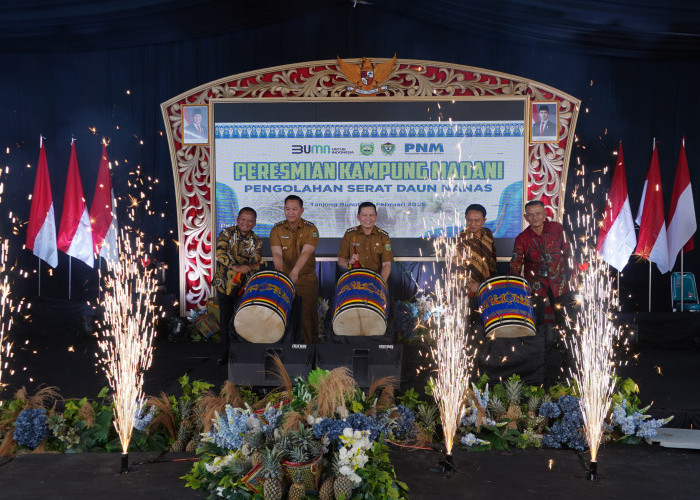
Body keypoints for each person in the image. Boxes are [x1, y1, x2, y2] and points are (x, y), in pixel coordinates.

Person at [509, 199, 573, 327]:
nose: (535, 217)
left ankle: (563, 345)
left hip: (559, 283)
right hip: (535, 285)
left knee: (565, 320)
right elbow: (516, 263)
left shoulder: (557, 229)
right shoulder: (522, 238)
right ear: (525, 217)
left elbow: (568, 253)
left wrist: (574, 275)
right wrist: (514, 286)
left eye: (538, 213)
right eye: (531, 214)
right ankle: (536, 345)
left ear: (544, 214)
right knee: (535, 322)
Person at [213, 207, 263, 363]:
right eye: (243, 219)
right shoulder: (227, 233)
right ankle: (225, 355)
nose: (245, 223)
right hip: (224, 284)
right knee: (226, 320)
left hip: (243, 287)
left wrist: (250, 267)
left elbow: (256, 261)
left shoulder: (257, 241)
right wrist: (235, 267)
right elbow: (220, 253)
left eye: (250, 221)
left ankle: (240, 355)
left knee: (242, 320)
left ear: (254, 223)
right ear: (237, 219)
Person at [269, 195, 320, 344]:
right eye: (288, 209)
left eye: (295, 209)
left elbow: (306, 253)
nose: (291, 212)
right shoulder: (276, 229)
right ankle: (286, 351)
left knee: (308, 317)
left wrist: (295, 272)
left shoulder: (311, 229)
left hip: (306, 279)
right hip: (285, 280)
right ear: (284, 210)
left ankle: (311, 351)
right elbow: (277, 254)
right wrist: (282, 275)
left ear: (301, 211)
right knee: (284, 315)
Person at [337, 202, 393, 283]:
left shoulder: (383, 236)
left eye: (371, 215)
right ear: (358, 217)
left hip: (376, 280)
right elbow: (341, 260)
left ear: (376, 217)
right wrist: (349, 263)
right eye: (364, 215)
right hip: (355, 281)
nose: (368, 218)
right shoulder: (350, 234)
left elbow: (386, 265)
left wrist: (380, 283)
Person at [453, 203, 497, 294]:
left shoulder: (488, 234)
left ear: (484, 220)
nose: (472, 224)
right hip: (468, 290)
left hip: (488, 286)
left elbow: (492, 259)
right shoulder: (460, 240)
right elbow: (456, 268)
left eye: (476, 220)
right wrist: (470, 283)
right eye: (469, 220)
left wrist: (493, 280)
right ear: (465, 218)